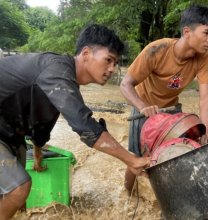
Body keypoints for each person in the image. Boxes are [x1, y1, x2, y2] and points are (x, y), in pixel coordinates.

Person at [0, 24, 150, 219]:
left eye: (116, 63)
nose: (112, 69)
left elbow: (44, 124)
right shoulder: (56, 69)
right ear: (86, 53)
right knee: (18, 189)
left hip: (11, 134)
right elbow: (84, 126)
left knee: (15, 203)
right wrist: (132, 160)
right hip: (4, 132)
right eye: (109, 60)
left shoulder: (64, 82)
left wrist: (38, 153)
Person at [120, 5, 208, 192]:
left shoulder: (204, 58)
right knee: (138, 159)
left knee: (177, 156)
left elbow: (205, 100)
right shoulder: (157, 49)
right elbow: (125, 84)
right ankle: (127, 195)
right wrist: (143, 107)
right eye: (206, 33)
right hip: (145, 109)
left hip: (172, 112)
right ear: (187, 32)